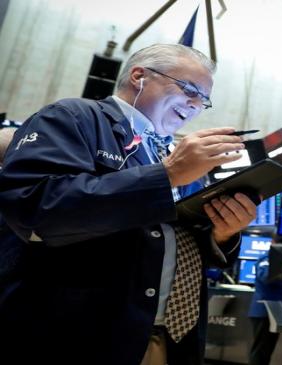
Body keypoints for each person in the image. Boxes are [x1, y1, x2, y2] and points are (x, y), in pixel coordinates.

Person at [0, 44, 258, 365]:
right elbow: (37, 210)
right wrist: (167, 175)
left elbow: (174, 240)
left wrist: (223, 234)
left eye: (202, 100)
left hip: (166, 337)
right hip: (76, 337)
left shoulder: (174, 154)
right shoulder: (73, 117)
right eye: (189, 89)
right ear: (139, 76)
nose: (195, 104)